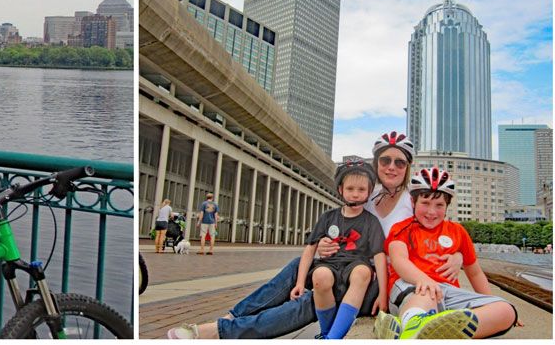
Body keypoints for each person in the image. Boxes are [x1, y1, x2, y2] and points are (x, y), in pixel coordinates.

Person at [166, 131, 444, 339]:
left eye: (399, 161)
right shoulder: (365, 194)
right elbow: (341, 227)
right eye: (385, 160)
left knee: (309, 302)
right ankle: (235, 315)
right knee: (303, 266)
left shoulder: (414, 201)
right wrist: (324, 243)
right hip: (342, 264)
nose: (391, 167)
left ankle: (220, 331)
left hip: (371, 280)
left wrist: (455, 258)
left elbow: (437, 230)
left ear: (408, 166)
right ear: (376, 163)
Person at [373, 167, 519, 340]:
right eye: (425, 203)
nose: (431, 212)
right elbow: (399, 261)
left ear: (447, 206)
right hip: (412, 288)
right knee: (427, 294)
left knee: (506, 310)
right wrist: (426, 280)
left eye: (439, 205)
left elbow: (475, 272)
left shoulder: (457, 231)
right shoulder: (401, 228)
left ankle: (429, 330)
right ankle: (413, 326)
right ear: (413, 202)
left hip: (448, 293)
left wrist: (489, 300)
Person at [290, 159, 386, 340]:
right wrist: (300, 282)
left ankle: (332, 338)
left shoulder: (371, 221)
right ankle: (327, 333)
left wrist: (383, 293)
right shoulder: (328, 217)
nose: (355, 195)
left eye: (361, 190)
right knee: (320, 277)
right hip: (331, 264)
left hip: (356, 263)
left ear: (369, 191)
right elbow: (310, 250)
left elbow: (379, 256)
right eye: (350, 189)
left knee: (362, 273)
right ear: (341, 190)